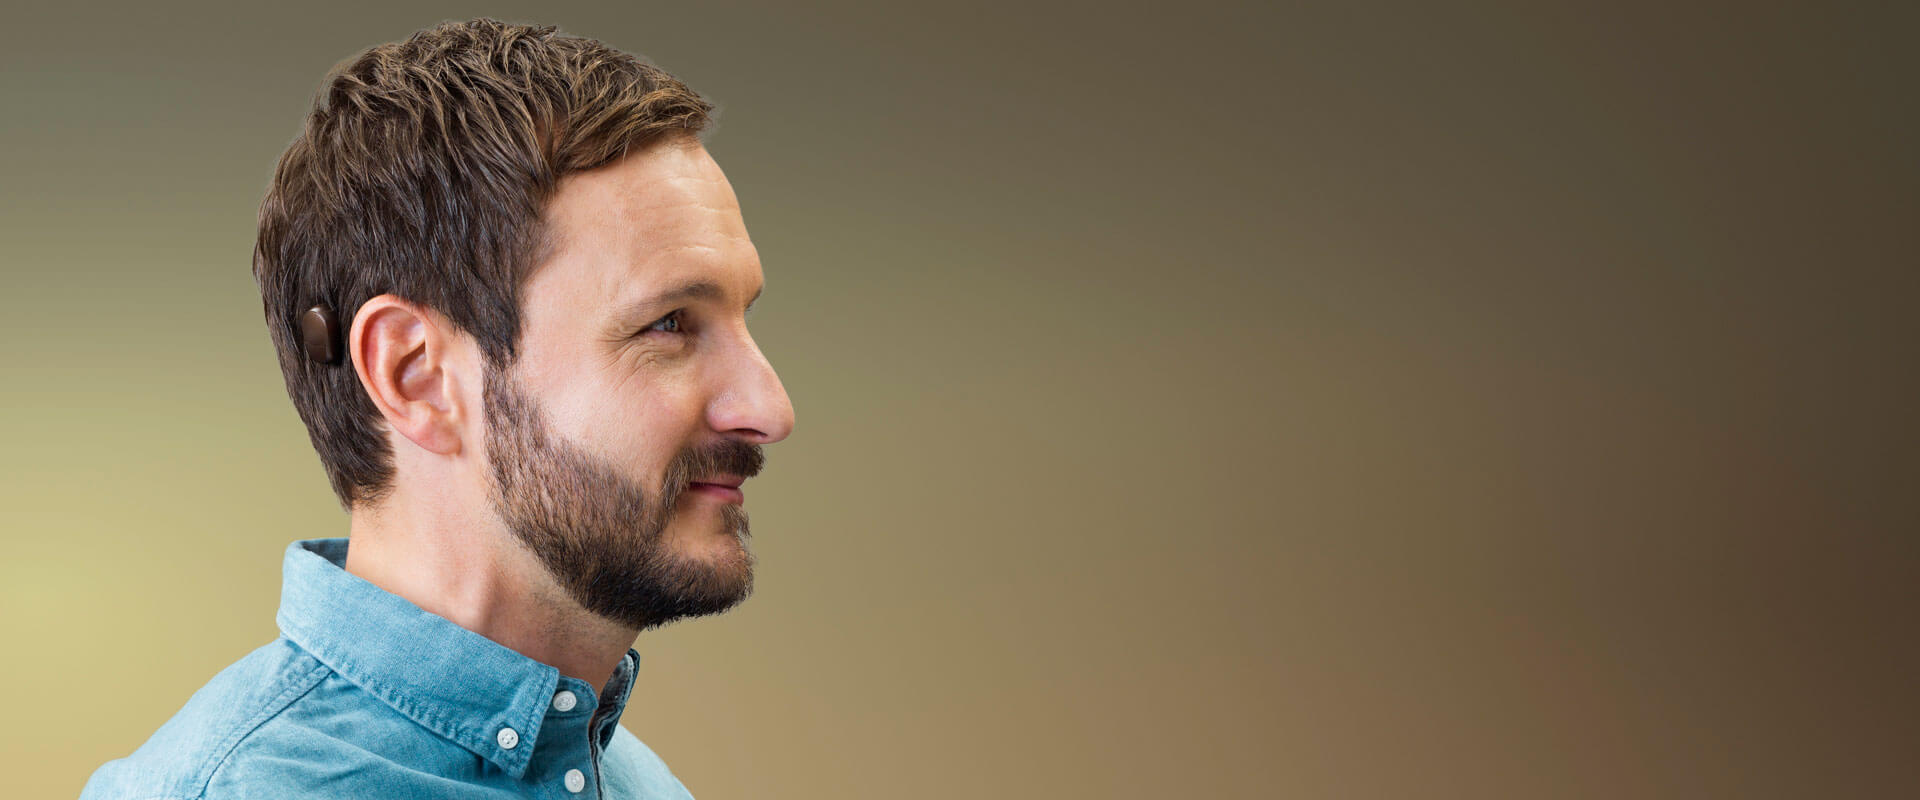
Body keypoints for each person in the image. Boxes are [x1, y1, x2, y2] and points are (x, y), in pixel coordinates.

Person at [80, 17, 794, 799]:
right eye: (669, 324)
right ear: (415, 375)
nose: (770, 407)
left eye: (742, 318)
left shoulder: (639, 785)